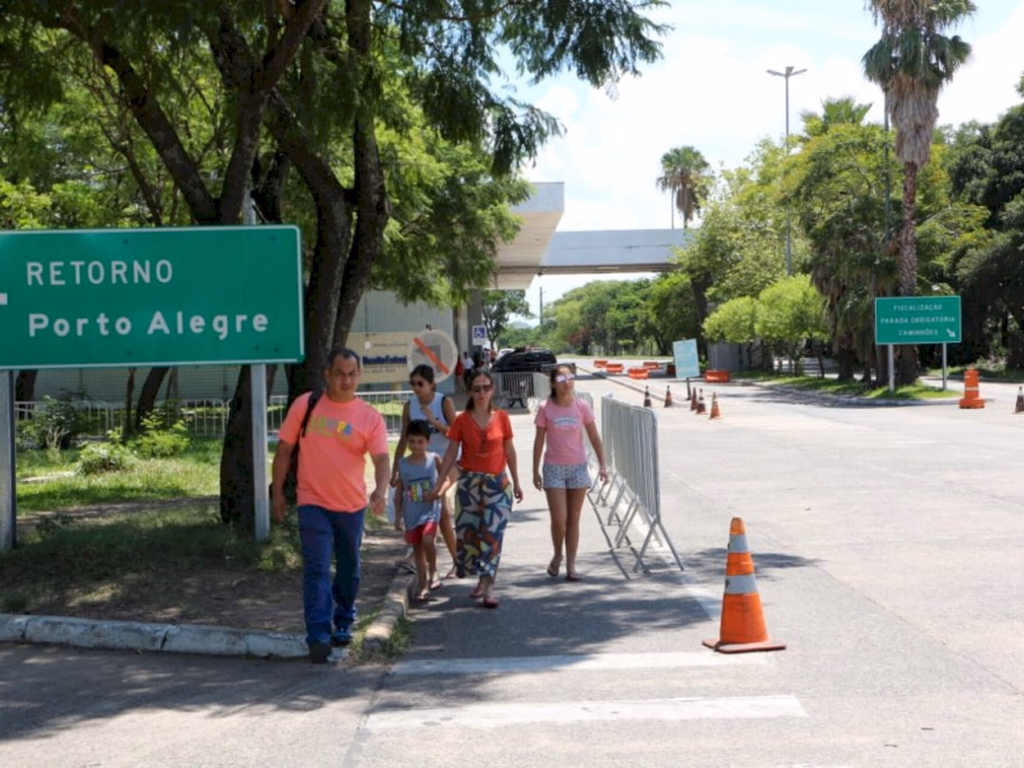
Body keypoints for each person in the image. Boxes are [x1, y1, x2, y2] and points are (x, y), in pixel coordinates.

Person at [271, 347, 390, 664]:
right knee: (317, 567)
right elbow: (284, 450)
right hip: (312, 502)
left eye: (352, 374)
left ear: (359, 376)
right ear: (327, 374)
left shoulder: (369, 416)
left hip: (352, 506)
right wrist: (278, 493)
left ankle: (345, 618)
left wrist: (381, 489)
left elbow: (381, 458)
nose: (346, 380)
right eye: (340, 374)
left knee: (349, 569)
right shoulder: (306, 405)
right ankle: (318, 634)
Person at [434, 369, 523, 608]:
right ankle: (481, 580)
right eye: (476, 389)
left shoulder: (502, 417)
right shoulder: (462, 420)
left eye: (486, 387)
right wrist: (440, 482)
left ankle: (489, 586)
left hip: (497, 484)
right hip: (470, 484)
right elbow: (451, 452)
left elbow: (509, 450)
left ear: (492, 389)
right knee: (471, 536)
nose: (482, 393)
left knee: (492, 535)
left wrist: (517, 481)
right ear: (469, 392)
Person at [532, 364, 608, 582]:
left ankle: (571, 566)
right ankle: (557, 554)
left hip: (577, 467)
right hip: (553, 468)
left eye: (570, 377)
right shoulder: (546, 408)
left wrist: (603, 465)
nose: (567, 382)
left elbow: (594, 437)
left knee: (573, 519)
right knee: (559, 519)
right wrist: (535, 471)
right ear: (554, 383)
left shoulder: (582, 406)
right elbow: (539, 441)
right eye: (562, 378)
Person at [391, 364, 460, 579]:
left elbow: (457, 433)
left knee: (443, 509)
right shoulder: (409, 406)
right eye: (412, 383)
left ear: (431, 384)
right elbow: (404, 438)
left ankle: (457, 561)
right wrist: (396, 469)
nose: (415, 388)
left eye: (420, 383)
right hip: (421, 466)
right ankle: (419, 558)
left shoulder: (443, 402)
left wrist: (433, 421)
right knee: (419, 508)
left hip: (448, 462)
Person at [394, 419, 451, 601]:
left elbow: (447, 479)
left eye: (420, 442)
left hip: (431, 509)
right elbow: (400, 491)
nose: (416, 446)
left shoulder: (434, 459)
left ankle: (433, 568)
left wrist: (438, 492)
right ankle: (422, 584)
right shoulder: (403, 464)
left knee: (428, 539)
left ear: (427, 442)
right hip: (412, 512)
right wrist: (397, 516)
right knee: (418, 550)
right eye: (412, 441)